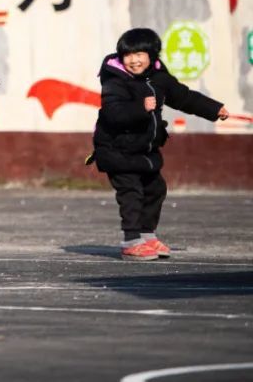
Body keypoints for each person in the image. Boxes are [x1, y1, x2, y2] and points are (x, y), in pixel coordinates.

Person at [88, 28, 229, 261]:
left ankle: (147, 235)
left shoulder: (159, 77)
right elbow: (112, 112)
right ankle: (132, 241)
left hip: (145, 149)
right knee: (131, 192)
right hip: (116, 149)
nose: (133, 60)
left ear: (152, 55)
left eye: (139, 54)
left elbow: (184, 97)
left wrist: (214, 109)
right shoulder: (115, 79)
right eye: (128, 55)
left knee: (155, 189)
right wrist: (139, 108)